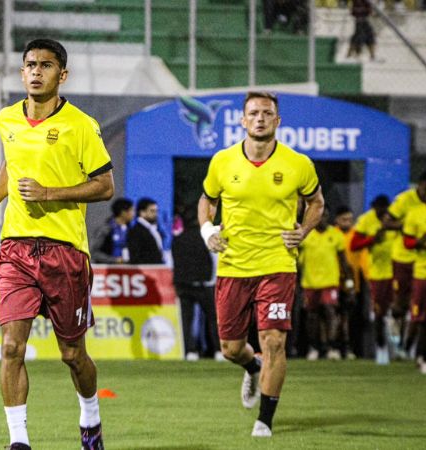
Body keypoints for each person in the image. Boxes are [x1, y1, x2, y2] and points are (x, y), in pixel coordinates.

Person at [0, 38, 114, 450]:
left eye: (45, 66)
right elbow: (10, 167)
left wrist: (49, 193)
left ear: (61, 75)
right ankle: (19, 442)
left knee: (73, 356)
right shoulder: (7, 119)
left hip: (65, 251)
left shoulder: (82, 125)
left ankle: (90, 419)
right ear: (22, 72)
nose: (35, 71)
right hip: (16, 248)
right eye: (30, 64)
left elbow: (105, 186)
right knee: (12, 346)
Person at [198, 91, 323, 437]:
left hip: (277, 264)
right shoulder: (222, 162)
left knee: (274, 342)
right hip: (234, 266)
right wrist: (208, 230)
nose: (260, 118)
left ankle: (264, 421)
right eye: (253, 113)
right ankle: (250, 367)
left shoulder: (298, 163)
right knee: (231, 348)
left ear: (277, 121)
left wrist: (304, 230)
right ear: (242, 120)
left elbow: (317, 202)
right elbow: (206, 201)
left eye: (267, 113)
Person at [298, 207, 354, 361]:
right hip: (310, 282)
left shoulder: (335, 235)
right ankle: (314, 347)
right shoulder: (305, 235)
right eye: (320, 216)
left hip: (330, 282)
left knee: (330, 311)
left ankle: (332, 347)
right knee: (311, 316)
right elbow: (297, 260)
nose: (322, 219)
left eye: (325, 216)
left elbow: (344, 261)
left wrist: (349, 283)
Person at [384, 172, 426, 358]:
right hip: (403, 256)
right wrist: (407, 226)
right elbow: (386, 222)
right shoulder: (404, 200)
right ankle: (394, 335)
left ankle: (408, 345)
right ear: (420, 185)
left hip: (421, 260)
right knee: (400, 303)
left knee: (417, 304)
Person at [351, 195, 397, 364]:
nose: (382, 212)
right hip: (376, 273)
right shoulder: (366, 221)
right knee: (379, 313)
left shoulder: (394, 220)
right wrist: (371, 240)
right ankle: (381, 347)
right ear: (373, 208)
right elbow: (354, 245)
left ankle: (401, 348)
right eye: (379, 209)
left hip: (396, 271)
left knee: (398, 311)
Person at [172, 204, 220, 361]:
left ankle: (190, 351)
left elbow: (176, 262)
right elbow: (211, 261)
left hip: (184, 285)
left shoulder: (178, 239)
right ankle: (218, 350)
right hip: (203, 285)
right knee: (213, 318)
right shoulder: (205, 238)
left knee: (187, 320)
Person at [334, 205, 365, 359]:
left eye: (350, 219)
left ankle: (349, 348)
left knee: (350, 317)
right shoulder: (333, 234)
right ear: (337, 220)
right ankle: (336, 347)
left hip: (353, 282)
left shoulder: (356, 235)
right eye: (344, 219)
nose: (348, 222)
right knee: (337, 317)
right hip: (333, 280)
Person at [401, 196, 426, 374]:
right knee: (419, 317)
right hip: (422, 272)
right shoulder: (416, 213)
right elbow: (407, 242)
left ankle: (421, 356)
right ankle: (413, 350)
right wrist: (421, 241)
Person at [91, 197, 133, 264]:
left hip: (127, 270)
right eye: (131, 210)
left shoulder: (131, 230)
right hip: (107, 270)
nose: (133, 214)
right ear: (123, 212)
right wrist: (114, 260)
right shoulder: (105, 229)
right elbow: (94, 252)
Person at [127, 198, 165, 265]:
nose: (156, 214)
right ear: (142, 212)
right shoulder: (136, 231)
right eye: (152, 211)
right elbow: (135, 256)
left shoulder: (154, 229)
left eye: (156, 211)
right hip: (146, 271)